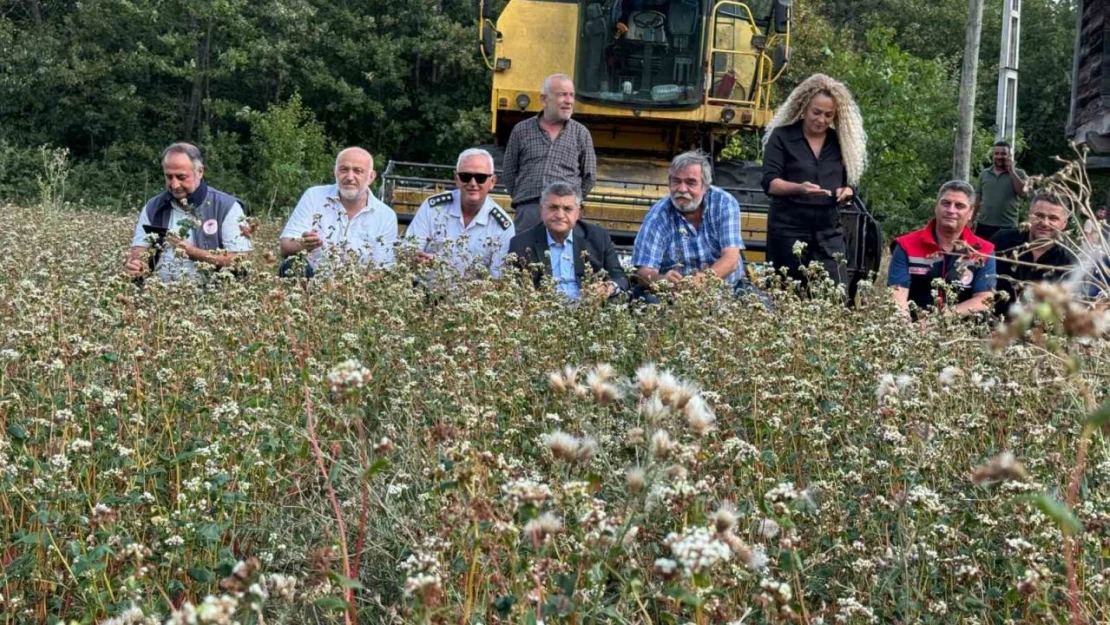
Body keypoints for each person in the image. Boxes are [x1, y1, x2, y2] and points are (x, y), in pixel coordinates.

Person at [761, 73, 867, 286]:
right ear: (803, 108)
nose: (821, 120)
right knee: (787, 292)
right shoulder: (782, 136)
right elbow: (770, 182)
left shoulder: (841, 142)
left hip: (828, 230)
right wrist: (800, 188)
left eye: (828, 115)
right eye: (816, 112)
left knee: (835, 291)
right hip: (788, 228)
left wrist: (847, 192)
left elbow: (850, 184)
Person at [124, 143, 252, 282]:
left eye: (181, 177)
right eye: (169, 177)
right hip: (157, 296)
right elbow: (138, 252)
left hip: (211, 297)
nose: (174, 185)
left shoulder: (227, 206)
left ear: (200, 172)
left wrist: (192, 252)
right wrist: (136, 265)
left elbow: (239, 260)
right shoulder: (153, 207)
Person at [631, 151, 745, 294]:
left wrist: (702, 281)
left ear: (705, 186)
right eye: (676, 181)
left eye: (691, 182)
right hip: (674, 297)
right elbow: (643, 272)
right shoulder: (657, 215)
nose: (682, 189)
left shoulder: (724, 203)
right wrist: (661, 280)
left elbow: (731, 259)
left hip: (727, 290)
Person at [279, 147, 397, 277]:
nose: (350, 177)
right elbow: (285, 247)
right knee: (291, 265)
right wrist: (303, 244)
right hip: (311, 283)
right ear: (335, 172)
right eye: (344, 169)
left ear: (371, 177)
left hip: (357, 289)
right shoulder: (314, 196)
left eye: (358, 171)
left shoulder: (386, 216)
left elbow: (382, 269)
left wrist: (347, 289)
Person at [501, 74, 597, 231]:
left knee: (563, 255)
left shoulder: (581, 133)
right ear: (544, 100)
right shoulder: (521, 130)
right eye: (562, 95)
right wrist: (524, 199)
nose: (569, 101)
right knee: (524, 255)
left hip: (564, 215)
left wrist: (570, 202)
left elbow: (590, 176)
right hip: (529, 211)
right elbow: (509, 172)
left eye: (571, 95)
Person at [888, 180, 997, 316]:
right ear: (936, 206)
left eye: (959, 206)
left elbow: (984, 299)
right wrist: (907, 328)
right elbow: (897, 294)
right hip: (912, 327)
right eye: (946, 203)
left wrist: (940, 320)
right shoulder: (906, 245)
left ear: (970, 213)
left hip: (961, 331)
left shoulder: (984, 251)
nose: (951, 210)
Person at [405, 148, 515, 279]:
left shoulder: (502, 226)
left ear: (492, 182)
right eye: (466, 177)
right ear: (456, 178)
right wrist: (418, 259)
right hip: (425, 292)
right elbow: (408, 252)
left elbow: (499, 280)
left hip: (473, 297)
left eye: (480, 178)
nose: (473, 183)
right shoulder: (433, 208)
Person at [508, 181, 628, 299]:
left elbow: (619, 277)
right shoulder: (521, 243)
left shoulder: (597, 236)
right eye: (553, 208)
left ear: (577, 212)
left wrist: (608, 287)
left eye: (567, 209)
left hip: (590, 309)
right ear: (542, 209)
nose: (560, 215)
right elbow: (514, 289)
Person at [991, 193, 1077, 317]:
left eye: (1053, 218)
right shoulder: (1002, 241)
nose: (1045, 223)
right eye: (1039, 215)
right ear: (1029, 216)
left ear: (1064, 224)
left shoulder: (1069, 263)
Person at [973, 141, 1027, 241]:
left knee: (1004, 255)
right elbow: (977, 198)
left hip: (1007, 226)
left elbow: (1023, 192)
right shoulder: (984, 174)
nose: (999, 156)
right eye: (996, 153)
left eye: (1003, 154)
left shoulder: (1019, 174)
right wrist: (971, 220)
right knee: (982, 255)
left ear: (1009, 156)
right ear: (992, 155)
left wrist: (1012, 172)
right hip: (984, 225)